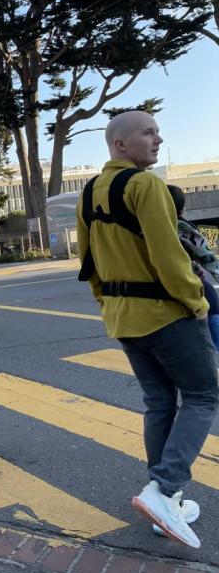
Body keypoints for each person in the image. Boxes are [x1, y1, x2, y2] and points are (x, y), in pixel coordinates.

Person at [76, 110, 218, 549]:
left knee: (159, 403)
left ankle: (165, 503)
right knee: (202, 395)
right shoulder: (145, 185)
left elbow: (89, 264)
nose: (158, 138)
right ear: (120, 144)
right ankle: (163, 488)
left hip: (124, 317)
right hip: (166, 313)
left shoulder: (88, 192)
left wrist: (109, 305)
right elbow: (169, 256)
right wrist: (195, 302)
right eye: (148, 132)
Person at [167, 184, 219, 350]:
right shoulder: (181, 227)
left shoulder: (141, 228)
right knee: (213, 307)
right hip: (191, 285)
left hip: (156, 292)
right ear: (181, 210)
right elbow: (207, 257)